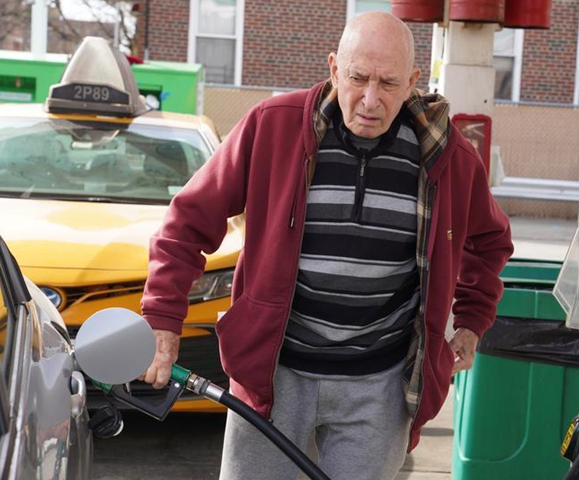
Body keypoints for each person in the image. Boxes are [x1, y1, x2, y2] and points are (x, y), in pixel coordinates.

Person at [140, 11, 513, 480]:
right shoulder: (272, 127)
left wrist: (473, 319)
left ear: (415, 81)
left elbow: (490, 240)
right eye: (358, 78)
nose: (371, 100)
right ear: (334, 68)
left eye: (390, 83)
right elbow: (188, 221)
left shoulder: (449, 158)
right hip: (273, 373)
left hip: (380, 385)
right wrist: (163, 320)